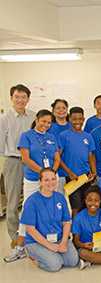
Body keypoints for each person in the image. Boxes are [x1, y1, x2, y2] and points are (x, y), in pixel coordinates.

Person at [4, 109, 61, 263]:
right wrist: (43, 173)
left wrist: (52, 173)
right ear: (36, 119)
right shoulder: (26, 136)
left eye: (49, 123)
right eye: (43, 121)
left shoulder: (52, 137)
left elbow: (56, 158)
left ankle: (48, 242)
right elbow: (26, 159)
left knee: (50, 210)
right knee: (28, 212)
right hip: (33, 179)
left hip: (50, 180)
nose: (46, 125)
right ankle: (20, 247)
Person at [0, 84, 36, 259]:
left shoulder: (34, 116)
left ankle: (31, 239)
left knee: (31, 202)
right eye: (17, 97)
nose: (20, 100)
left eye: (24, 97)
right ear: (11, 98)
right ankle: (16, 242)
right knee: (13, 204)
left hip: (31, 163)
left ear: (28, 99)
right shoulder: (4, 118)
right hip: (13, 162)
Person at [21, 168, 79, 272]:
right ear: (40, 182)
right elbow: (30, 229)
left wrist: (64, 242)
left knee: (73, 261)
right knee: (55, 265)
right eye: (46, 180)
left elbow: (66, 222)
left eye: (53, 179)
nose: (50, 182)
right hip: (36, 241)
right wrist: (51, 246)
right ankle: (33, 256)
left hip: (58, 238)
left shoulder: (60, 198)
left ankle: (51, 254)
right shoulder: (31, 201)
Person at [58, 106, 97, 216]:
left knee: (87, 205)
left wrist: (94, 172)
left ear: (84, 119)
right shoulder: (63, 136)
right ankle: (75, 232)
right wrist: (69, 173)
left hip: (85, 177)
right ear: (69, 119)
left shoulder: (88, 136)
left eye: (80, 119)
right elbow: (58, 157)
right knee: (75, 207)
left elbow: (91, 156)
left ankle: (85, 231)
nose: (77, 122)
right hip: (71, 178)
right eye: (74, 119)